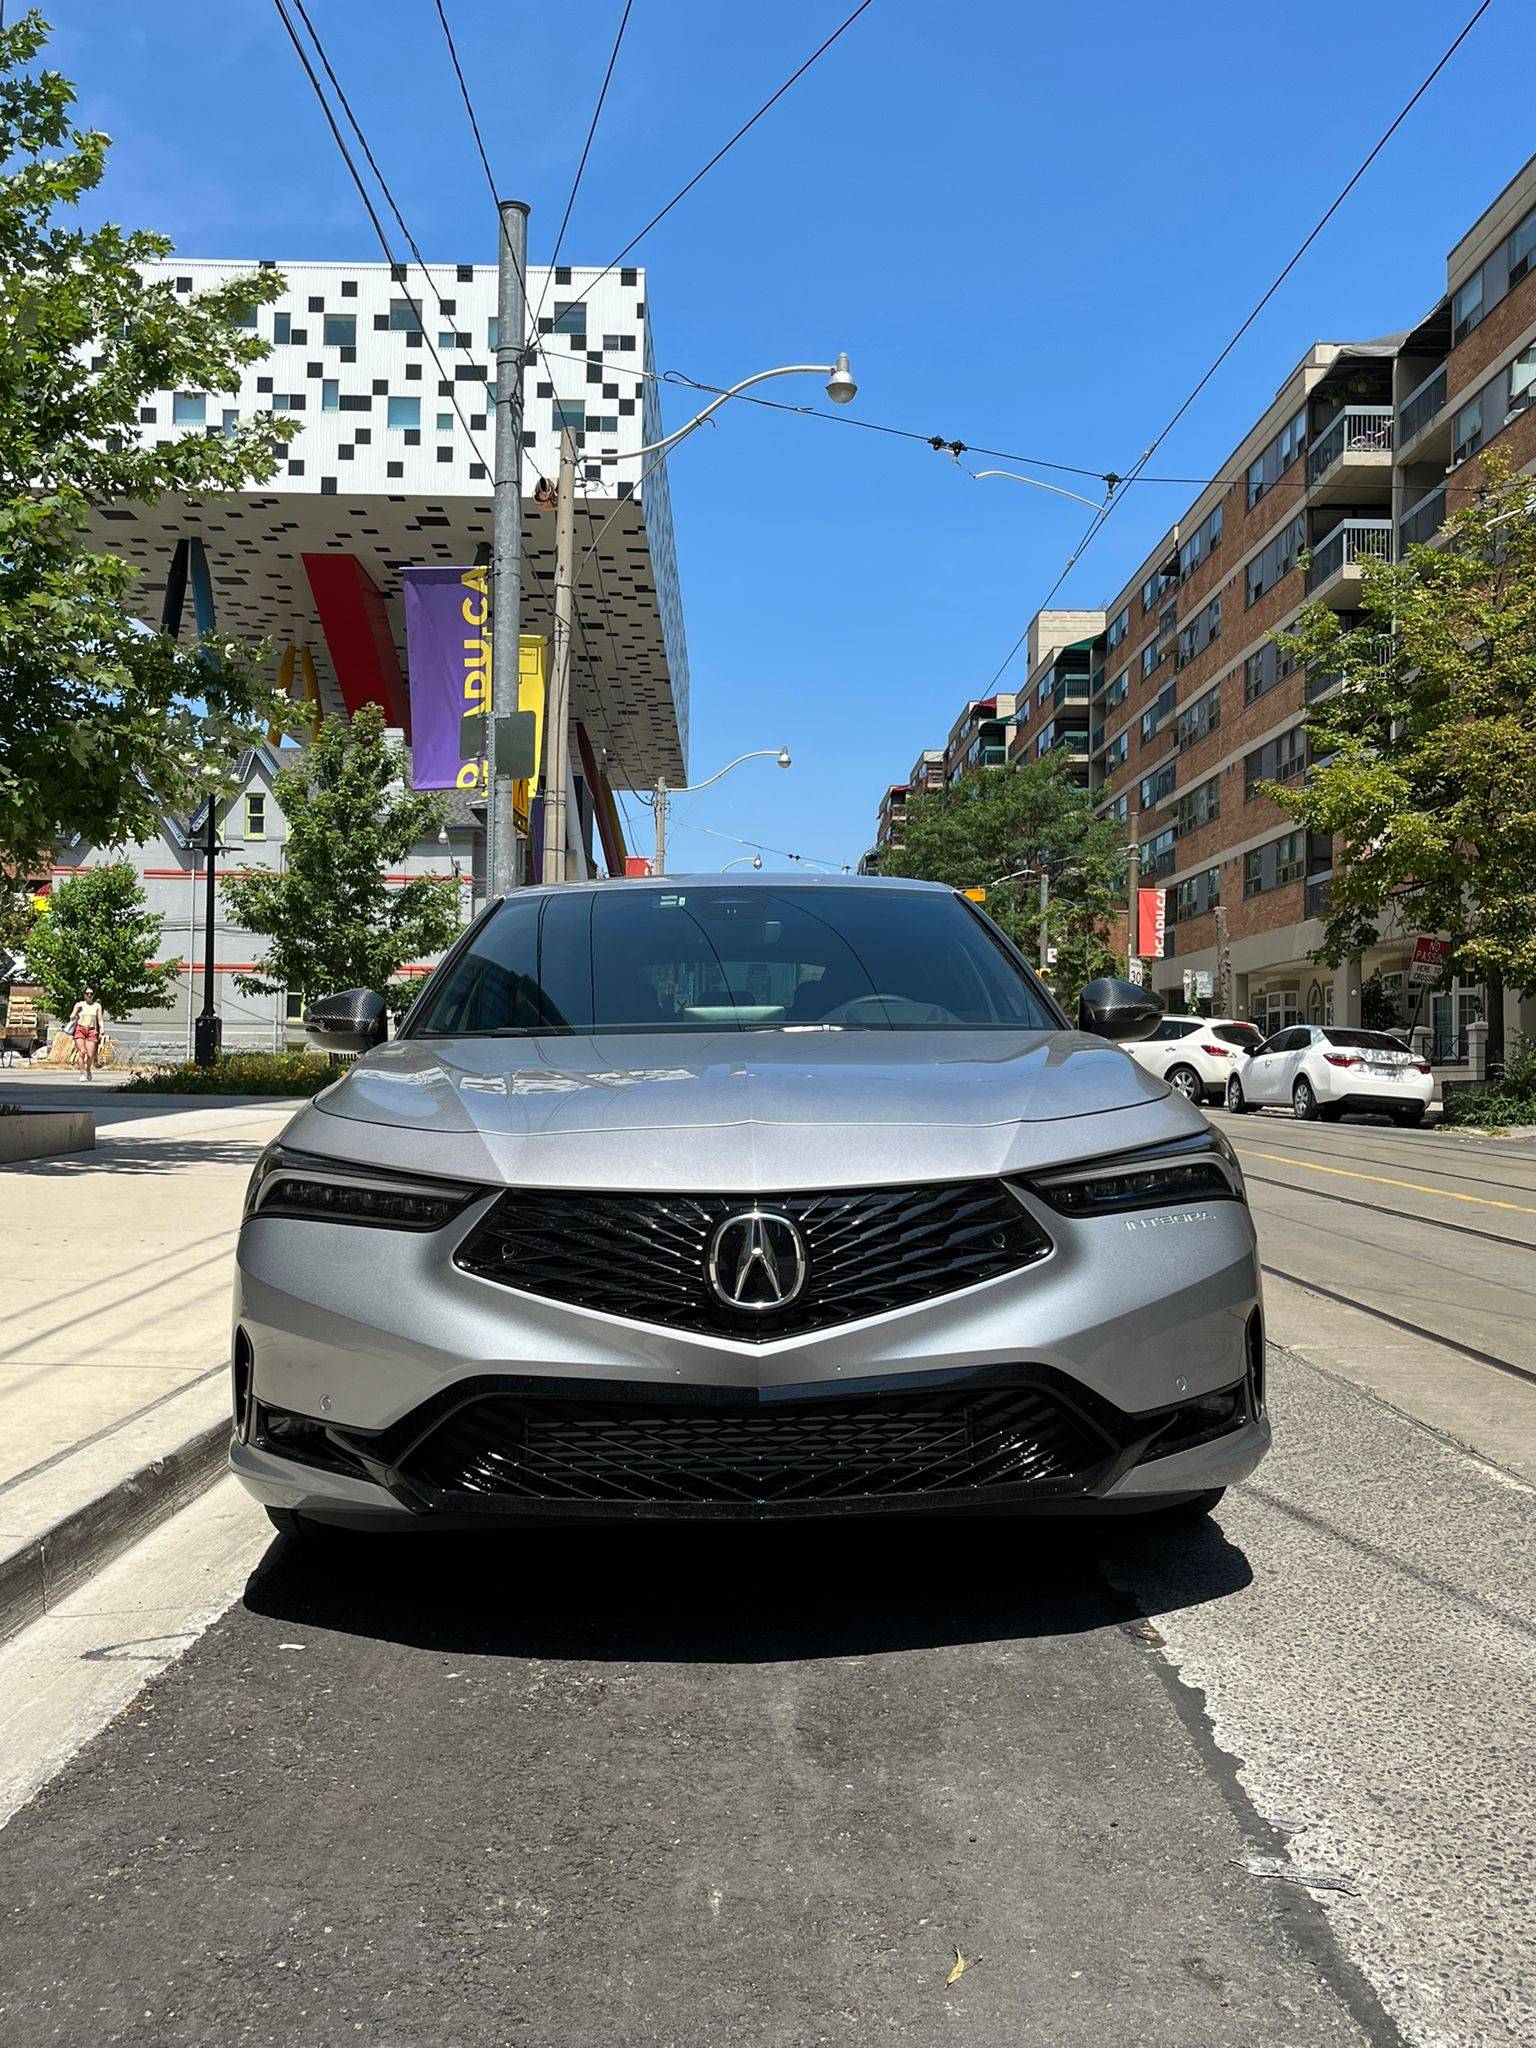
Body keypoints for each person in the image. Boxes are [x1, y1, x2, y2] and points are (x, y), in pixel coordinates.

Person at [68, 987, 105, 1080]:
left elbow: (100, 1019)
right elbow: (71, 1016)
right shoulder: (79, 1005)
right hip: (80, 1029)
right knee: (82, 1052)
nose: (89, 995)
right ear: (84, 994)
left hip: (91, 1030)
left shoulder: (97, 1006)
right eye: (87, 993)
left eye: (91, 993)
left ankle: (88, 1069)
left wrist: (102, 1028)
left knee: (90, 1055)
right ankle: (82, 1074)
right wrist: (76, 1014)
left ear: (93, 995)